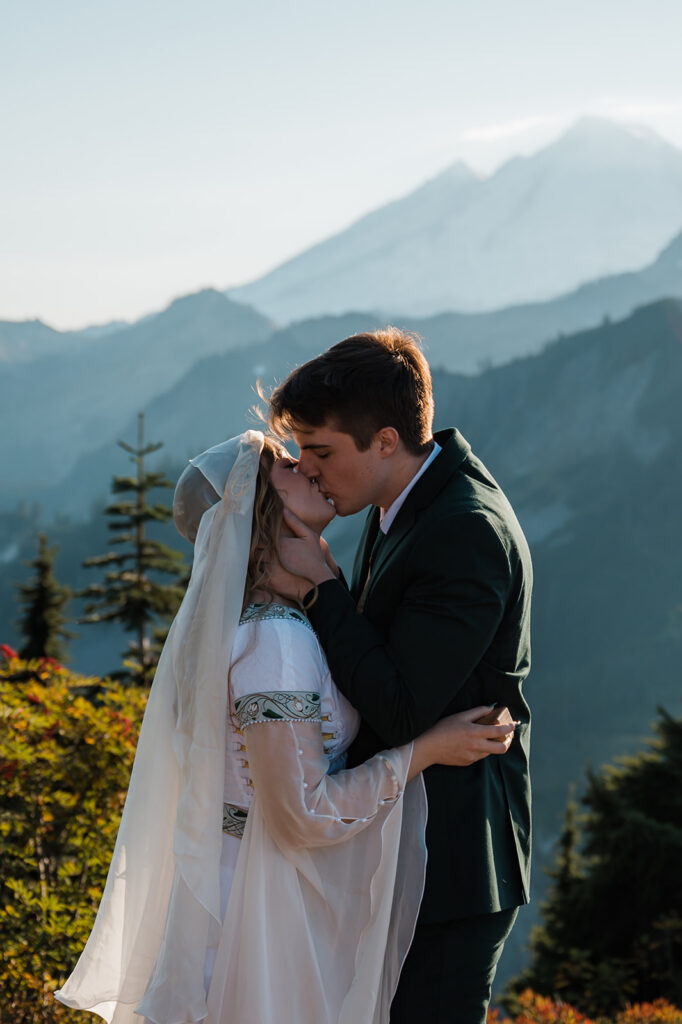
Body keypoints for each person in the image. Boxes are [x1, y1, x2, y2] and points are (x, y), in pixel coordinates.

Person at [55, 430, 515, 1024]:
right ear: (263, 515)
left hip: (256, 885)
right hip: (264, 910)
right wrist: (425, 750)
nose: (308, 469)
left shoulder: (275, 622)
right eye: (289, 468)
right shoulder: (275, 640)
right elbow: (302, 811)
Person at [267, 327, 533, 1024]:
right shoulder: (397, 502)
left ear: (386, 440)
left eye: (321, 452)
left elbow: (402, 707)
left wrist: (323, 587)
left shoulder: (463, 529)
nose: (310, 469)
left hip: (452, 864)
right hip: (400, 847)